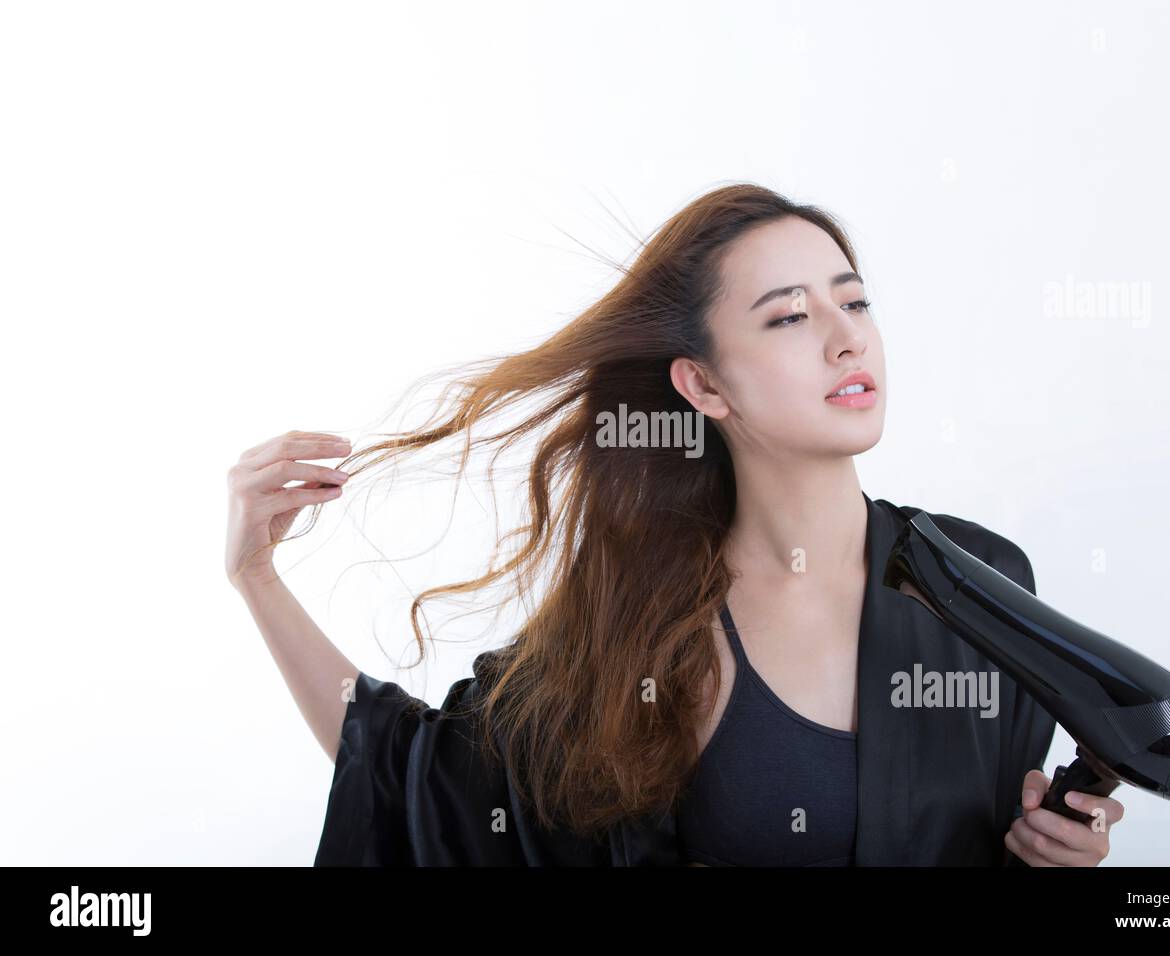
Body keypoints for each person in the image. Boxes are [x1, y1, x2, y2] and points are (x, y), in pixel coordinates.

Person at [225, 183, 1124, 866]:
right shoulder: (645, 628)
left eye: (853, 302)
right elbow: (411, 776)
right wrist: (257, 581)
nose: (846, 338)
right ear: (703, 386)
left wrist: (1054, 859)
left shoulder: (980, 578)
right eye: (788, 317)